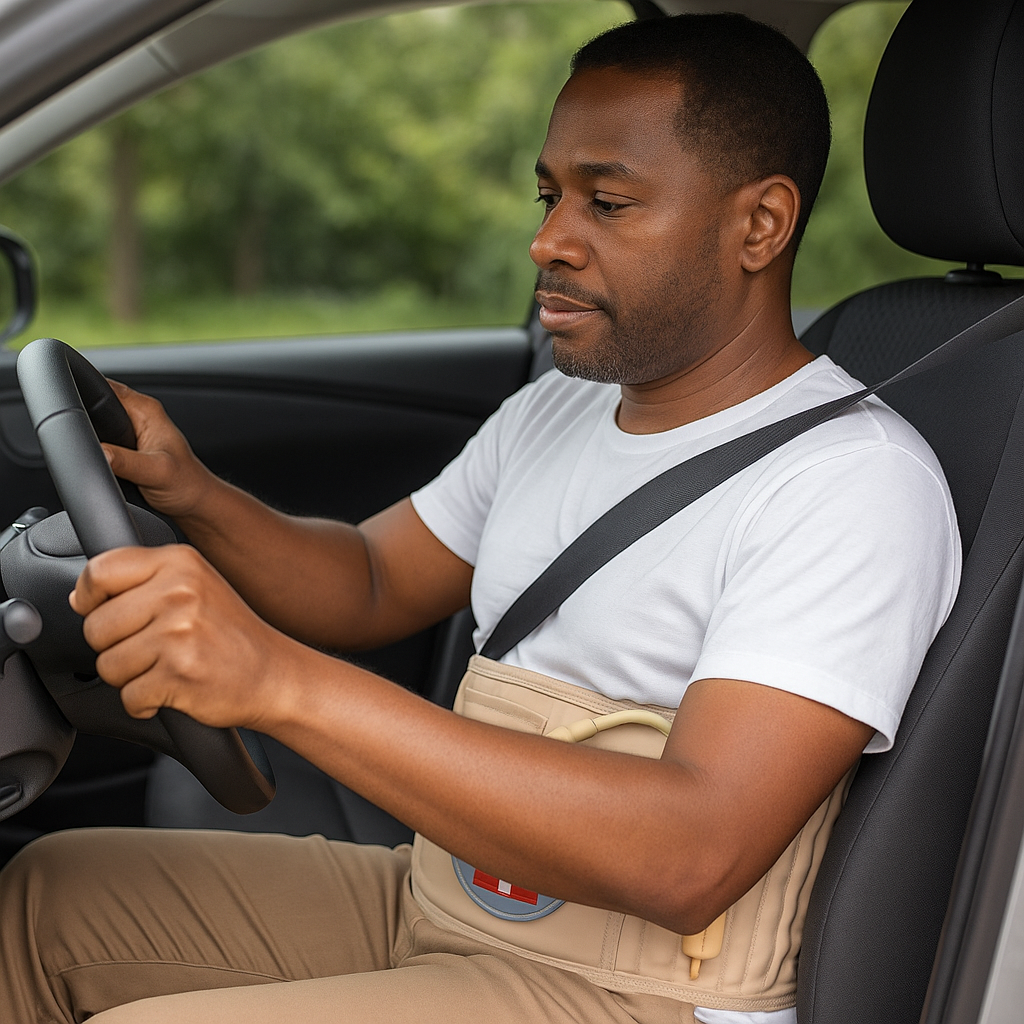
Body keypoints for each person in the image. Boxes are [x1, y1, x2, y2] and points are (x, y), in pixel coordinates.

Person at [0, 13, 960, 1024]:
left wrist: (275, 682)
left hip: (639, 991)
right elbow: (370, 580)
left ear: (757, 226)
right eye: (549, 196)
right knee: (39, 901)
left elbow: (693, 852)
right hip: (456, 900)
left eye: (607, 201)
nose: (548, 239)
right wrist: (192, 491)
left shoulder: (850, 481)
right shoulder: (558, 406)